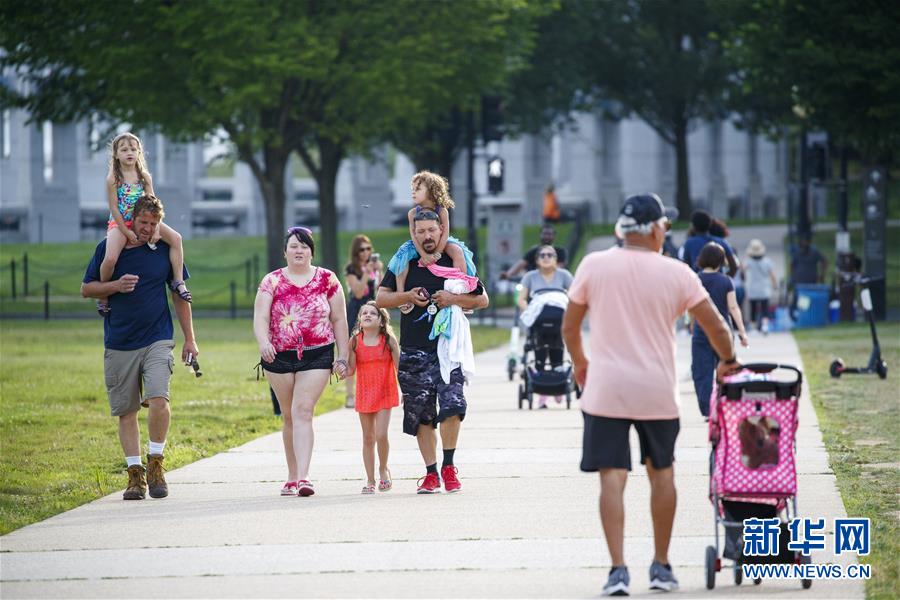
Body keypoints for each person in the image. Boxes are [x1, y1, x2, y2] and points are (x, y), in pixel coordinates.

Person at [562, 194, 740, 597]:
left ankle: (617, 572)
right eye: (666, 226)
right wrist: (727, 360)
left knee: (612, 477)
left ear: (622, 229)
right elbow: (716, 327)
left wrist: (580, 363)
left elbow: (570, 328)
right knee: (662, 473)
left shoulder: (593, 265)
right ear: (656, 229)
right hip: (656, 391)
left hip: (606, 389)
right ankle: (661, 567)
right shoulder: (677, 273)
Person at [80, 194, 198, 501]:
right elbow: (87, 288)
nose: (147, 229)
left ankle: (156, 463)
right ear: (131, 219)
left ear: (160, 223)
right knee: (127, 411)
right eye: (142, 222)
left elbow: (178, 295)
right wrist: (115, 287)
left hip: (158, 337)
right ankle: (134, 476)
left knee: (159, 398)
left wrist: (190, 338)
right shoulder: (110, 248)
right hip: (119, 341)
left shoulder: (164, 249)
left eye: (153, 223)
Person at [376, 209, 489, 494]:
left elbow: (482, 299)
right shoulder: (404, 260)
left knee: (452, 406)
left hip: (448, 348)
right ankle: (430, 473)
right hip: (414, 349)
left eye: (431, 230)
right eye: (421, 231)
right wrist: (406, 296)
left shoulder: (456, 258)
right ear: (413, 232)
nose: (427, 236)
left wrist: (452, 299)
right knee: (421, 414)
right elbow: (380, 298)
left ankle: (449, 467)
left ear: (441, 230)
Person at [253, 226, 350, 498]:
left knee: (303, 411)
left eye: (304, 246)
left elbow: (339, 319)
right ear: (285, 252)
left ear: (311, 251)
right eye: (294, 246)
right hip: (278, 356)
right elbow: (260, 318)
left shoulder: (327, 280)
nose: (299, 250)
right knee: (289, 416)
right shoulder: (271, 281)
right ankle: (291, 476)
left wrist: (342, 356)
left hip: (317, 354)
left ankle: (305, 477)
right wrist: (264, 343)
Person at [97, 132, 191, 316]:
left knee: (176, 239)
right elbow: (114, 208)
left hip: (144, 220)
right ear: (116, 154)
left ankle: (178, 281)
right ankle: (104, 293)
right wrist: (126, 231)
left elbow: (153, 204)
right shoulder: (113, 179)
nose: (129, 152)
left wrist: (156, 228)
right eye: (124, 149)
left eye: (133, 149)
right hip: (120, 223)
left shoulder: (144, 177)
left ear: (139, 152)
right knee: (109, 259)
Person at [387, 171, 476, 313]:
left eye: (418, 189)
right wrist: (423, 255)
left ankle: (462, 292)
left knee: (457, 251)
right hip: (418, 243)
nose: (413, 192)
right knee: (402, 257)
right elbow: (414, 235)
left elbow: (445, 232)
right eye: (413, 189)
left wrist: (436, 254)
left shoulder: (442, 211)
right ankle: (402, 296)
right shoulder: (412, 213)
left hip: (441, 241)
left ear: (430, 190)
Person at [347, 301, 400, 494]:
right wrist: (340, 368)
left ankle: (383, 469)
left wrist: (407, 391)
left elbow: (399, 368)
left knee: (381, 434)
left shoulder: (388, 340)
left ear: (381, 321)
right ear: (360, 321)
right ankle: (370, 480)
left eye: (372, 313)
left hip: (386, 391)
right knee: (368, 438)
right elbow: (350, 370)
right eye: (364, 314)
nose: (367, 315)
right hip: (365, 392)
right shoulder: (355, 341)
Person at [691, 243, 749, 417]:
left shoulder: (695, 279)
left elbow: (692, 308)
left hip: (701, 333)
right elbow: (733, 308)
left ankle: (706, 409)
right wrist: (742, 332)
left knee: (701, 372)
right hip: (723, 334)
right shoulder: (725, 281)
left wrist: (693, 326)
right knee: (726, 371)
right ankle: (724, 405)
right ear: (720, 261)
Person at [517, 244, 573, 408]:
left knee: (557, 345)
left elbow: (574, 293)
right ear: (537, 260)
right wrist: (529, 312)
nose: (547, 258)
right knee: (539, 346)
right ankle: (542, 392)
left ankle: (557, 385)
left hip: (558, 314)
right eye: (543, 255)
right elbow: (521, 299)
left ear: (556, 259)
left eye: (550, 255)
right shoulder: (530, 276)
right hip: (539, 315)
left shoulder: (564, 275)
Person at [344, 234, 383, 408]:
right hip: (356, 310)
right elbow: (358, 292)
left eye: (368, 249)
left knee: (377, 347)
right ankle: (350, 395)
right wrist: (367, 274)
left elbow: (381, 290)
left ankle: (375, 390)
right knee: (353, 351)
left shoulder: (374, 267)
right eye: (362, 249)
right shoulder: (351, 269)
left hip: (373, 309)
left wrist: (379, 272)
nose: (366, 252)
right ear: (356, 251)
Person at [679, 210, 737, 277]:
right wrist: (725, 279)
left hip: (697, 283)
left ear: (693, 226)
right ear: (709, 224)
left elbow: (686, 268)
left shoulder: (689, 243)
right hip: (717, 283)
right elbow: (734, 266)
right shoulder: (721, 241)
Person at [500, 224, 568, 279]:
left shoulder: (560, 251)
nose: (547, 236)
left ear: (554, 236)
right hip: (534, 283)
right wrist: (508, 274)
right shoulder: (533, 251)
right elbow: (521, 264)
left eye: (549, 234)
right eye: (544, 234)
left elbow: (560, 266)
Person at [709, 217, 745, 313]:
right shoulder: (726, 245)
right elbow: (736, 265)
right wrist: (726, 280)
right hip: (731, 286)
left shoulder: (708, 245)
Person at [743, 239, 778, 334]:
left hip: (753, 289)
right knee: (764, 309)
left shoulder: (749, 261)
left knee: (753, 309)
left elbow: (743, 271)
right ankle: (765, 326)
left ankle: (754, 328)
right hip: (764, 288)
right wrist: (775, 285)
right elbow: (772, 275)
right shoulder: (767, 261)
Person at [789, 233, 827, 319]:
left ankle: (803, 316)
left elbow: (824, 262)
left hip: (809, 281)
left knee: (805, 299)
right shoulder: (798, 252)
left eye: (806, 242)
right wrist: (792, 277)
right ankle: (799, 316)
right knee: (800, 299)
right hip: (800, 281)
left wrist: (822, 275)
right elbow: (792, 265)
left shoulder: (813, 252)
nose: (804, 243)